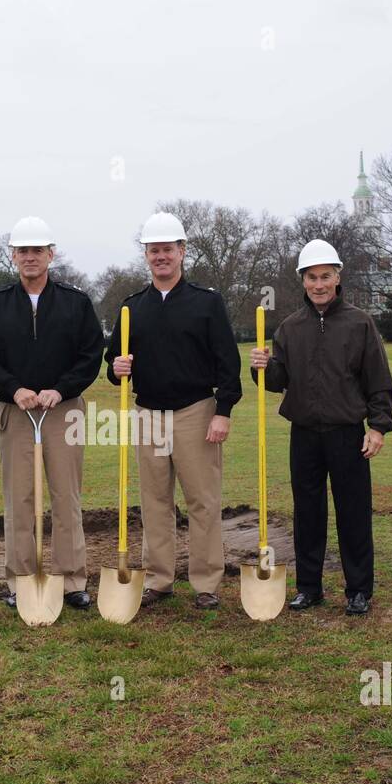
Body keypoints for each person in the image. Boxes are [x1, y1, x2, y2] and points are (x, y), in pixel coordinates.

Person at [250, 239, 392, 615]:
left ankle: (358, 590)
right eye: (312, 278)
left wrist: (377, 427)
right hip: (304, 434)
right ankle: (309, 587)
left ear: (337, 277)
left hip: (347, 433)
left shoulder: (359, 323)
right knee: (307, 512)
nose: (319, 284)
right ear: (302, 281)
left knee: (354, 512)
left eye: (325, 277)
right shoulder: (290, 327)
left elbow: (379, 381)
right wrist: (261, 366)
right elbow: (277, 381)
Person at [104, 212, 242, 610]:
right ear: (146, 255)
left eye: (168, 249)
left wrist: (223, 411)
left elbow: (227, 364)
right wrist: (116, 368)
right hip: (147, 413)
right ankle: (160, 581)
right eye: (154, 250)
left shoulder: (206, 302)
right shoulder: (132, 307)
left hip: (195, 412)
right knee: (154, 503)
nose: (161, 256)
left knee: (202, 501)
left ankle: (205, 584)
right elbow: (114, 362)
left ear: (182, 251)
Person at [0, 216, 104, 610]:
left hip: (62, 411)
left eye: (37, 251)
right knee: (20, 501)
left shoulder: (75, 302)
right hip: (16, 413)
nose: (30, 257)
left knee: (66, 498)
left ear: (51, 254)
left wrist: (59, 389)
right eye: (22, 251)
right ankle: (21, 582)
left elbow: (89, 355)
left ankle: (71, 581)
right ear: (13, 256)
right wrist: (16, 389)